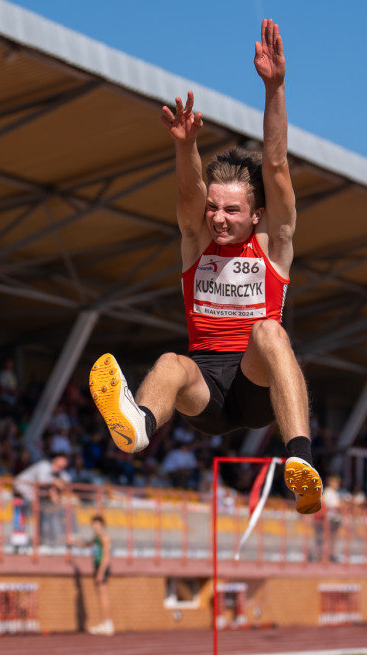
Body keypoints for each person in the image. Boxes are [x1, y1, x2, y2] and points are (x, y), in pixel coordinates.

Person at [88, 20, 321, 515]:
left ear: (256, 215)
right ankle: (138, 428)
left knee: (269, 333)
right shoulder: (197, 242)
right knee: (171, 363)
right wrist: (185, 145)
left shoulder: (273, 244)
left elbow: (276, 166)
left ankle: (300, 460)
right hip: (206, 394)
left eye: (231, 210)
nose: (217, 217)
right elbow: (190, 193)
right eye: (215, 207)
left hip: (256, 384)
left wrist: (275, 88)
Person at [69, 515, 113, 636]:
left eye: (97, 524)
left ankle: (107, 623)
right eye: (93, 524)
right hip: (97, 566)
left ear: (102, 525)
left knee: (103, 595)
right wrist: (75, 542)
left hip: (102, 568)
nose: (94, 526)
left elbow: (106, 557)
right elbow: (87, 544)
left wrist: (101, 572)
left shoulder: (105, 537)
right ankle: (105, 622)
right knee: (100, 595)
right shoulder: (96, 537)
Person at [12, 453, 69, 546]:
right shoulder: (44, 466)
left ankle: (38, 541)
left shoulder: (59, 472)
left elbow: (66, 480)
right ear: (54, 461)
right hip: (21, 491)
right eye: (60, 465)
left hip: (34, 495)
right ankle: (20, 542)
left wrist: (59, 485)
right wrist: (56, 483)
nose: (61, 468)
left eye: (63, 466)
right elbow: (43, 482)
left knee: (42, 515)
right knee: (21, 515)